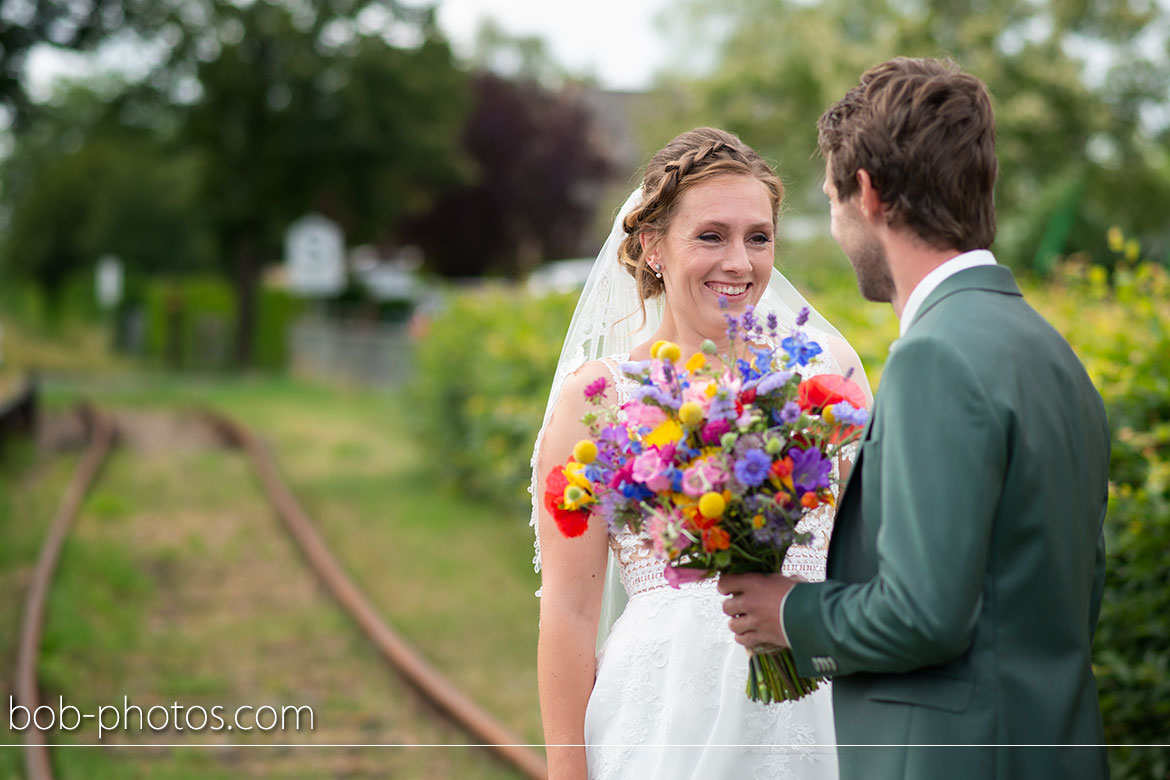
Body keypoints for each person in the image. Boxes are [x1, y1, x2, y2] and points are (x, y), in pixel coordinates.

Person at [718, 58, 1111, 779]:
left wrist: (789, 616)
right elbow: (1074, 595)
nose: (837, 228)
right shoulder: (1053, 354)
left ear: (867, 193)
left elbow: (924, 617)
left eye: (833, 202)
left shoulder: (935, 358)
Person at [531, 126, 870, 780]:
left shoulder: (825, 378)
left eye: (758, 237)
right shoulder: (600, 397)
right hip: (662, 721)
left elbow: (865, 572)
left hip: (814, 711)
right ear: (654, 246)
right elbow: (570, 612)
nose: (739, 262)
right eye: (711, 236)